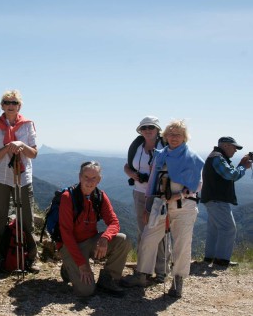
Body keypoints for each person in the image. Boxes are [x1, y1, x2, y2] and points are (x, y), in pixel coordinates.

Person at [122, 119, 205, 298]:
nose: (174, 137)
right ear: (165, 136)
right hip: (160, 204)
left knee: (181, 244)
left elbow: (197, 184)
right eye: (171, 134)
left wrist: (180, 195)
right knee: (148, 237)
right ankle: (141, 274)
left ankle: (177, 282)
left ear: (185, 137)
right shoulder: (160, 155)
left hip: (184, 206)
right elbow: (152, 182)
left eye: (178, 134)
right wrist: (148, 206)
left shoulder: (192, 157)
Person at [59, 161, 132, 297]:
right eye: (86, 177)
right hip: (70, 245)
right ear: (80, 177)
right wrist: (81, 264)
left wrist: (105, 237)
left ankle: (107, 279)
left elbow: (114, 222)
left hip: (91, 241)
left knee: (123, 240)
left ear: (99, 180)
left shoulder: (99, 196)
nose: (89, 181)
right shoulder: (68, 198)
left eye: (94, 178)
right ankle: (68, 268)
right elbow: (66, 235)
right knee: (86, 291)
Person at [0, 90, 39, 272]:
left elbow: (33, 153)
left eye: (14, 102)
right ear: (2, 105)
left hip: (22, 177)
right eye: (7, 102)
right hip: (0, 176)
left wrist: (21, 145)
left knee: (27, 219)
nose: (10, 105)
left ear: (19, 106)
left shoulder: (27, 125)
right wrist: (8, 148)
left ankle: (31, 258)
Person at [123, 116, 168, 283]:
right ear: (140, 130)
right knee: (144, 231)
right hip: (139, 193)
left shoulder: (164, 147)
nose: (148, 130)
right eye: (144, 128)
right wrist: (135, 175)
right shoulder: (137, 146)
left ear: (158, 130)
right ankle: (144, 270)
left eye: (151, 127)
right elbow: (127, 166)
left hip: (159, 194)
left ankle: (161, 271)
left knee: (159, 232)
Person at [201, 136, 252, 267]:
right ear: (226, 146)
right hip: (217, 199)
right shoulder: (217, 157)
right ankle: (221, 260)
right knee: (228, 228)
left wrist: (241, 164)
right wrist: (243, 167)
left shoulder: (215, 156)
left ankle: (209, 258)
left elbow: (228, 175)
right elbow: (231, 175)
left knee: (215, 229)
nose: (235, 151)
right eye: (234, 147)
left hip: (211, 199)